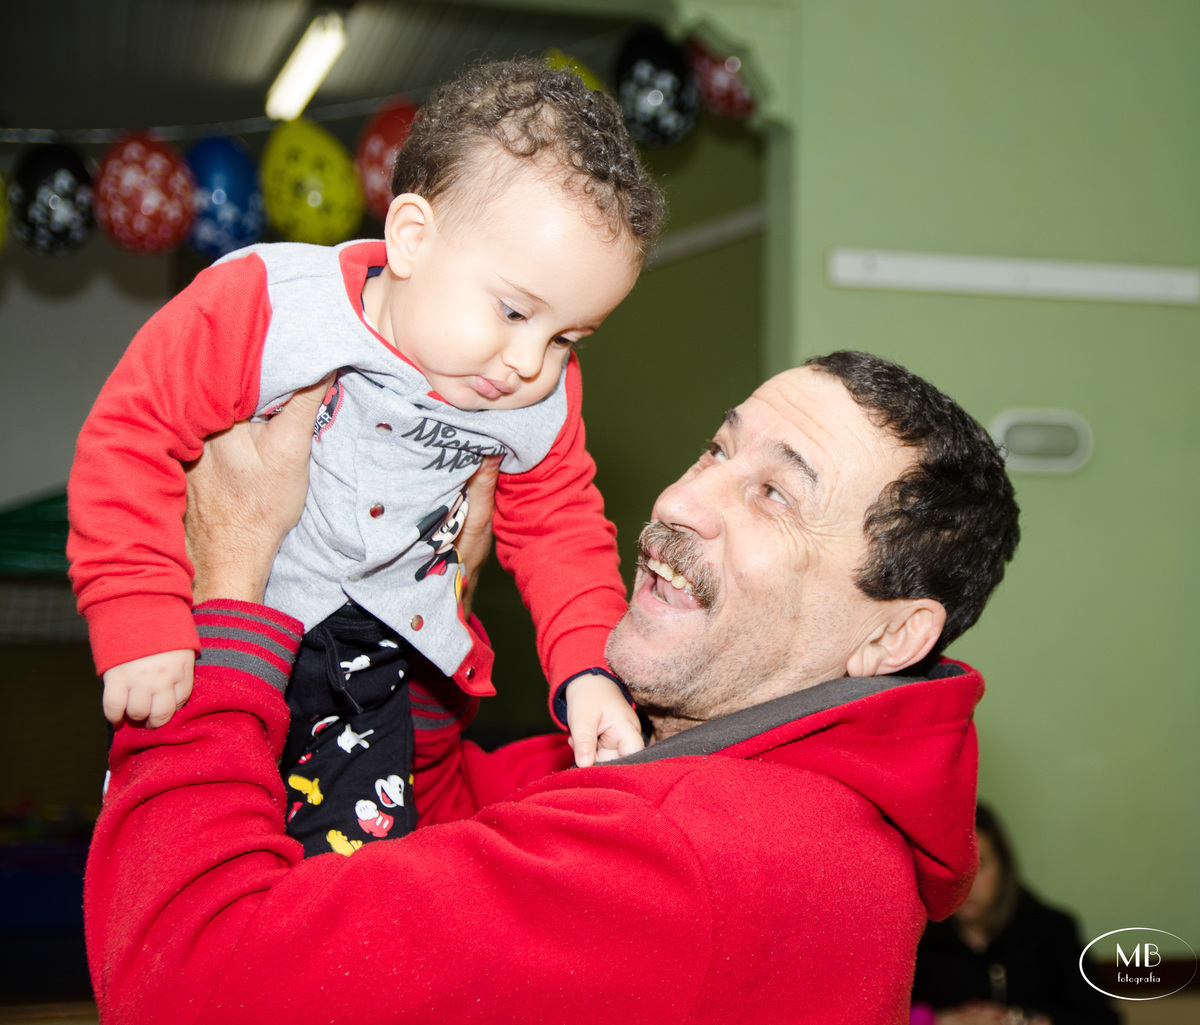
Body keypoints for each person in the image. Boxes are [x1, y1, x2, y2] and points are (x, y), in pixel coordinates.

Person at [85, 351, 1021, 1023]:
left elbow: (184, 975)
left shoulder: (693, 852)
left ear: (894, 633)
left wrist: (226, 596)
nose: (679, 501)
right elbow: (455, 837)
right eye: (717, 450)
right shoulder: (754, 788)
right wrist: (417, 623)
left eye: (776, 494)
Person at [67, 60, 666, 856]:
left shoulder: (537, 397)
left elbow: (560, 525)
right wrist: (138, 614)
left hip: (378, 670)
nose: (530, 362)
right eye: (514, 310)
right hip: (234, 633)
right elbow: (131, 430)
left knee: (338, 886)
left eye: (566, 337)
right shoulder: (269, 305)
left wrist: (588, 666)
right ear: (412, 237)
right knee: (181, 836)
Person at [911, 805, 1121, 1025]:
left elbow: (1102, 1018)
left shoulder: (1052, 931)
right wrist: (938, 1021)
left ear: (1003, 865)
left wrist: (1021, 1020)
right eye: (951, 867)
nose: (966, 882)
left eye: (980, 865)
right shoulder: (918, 940)